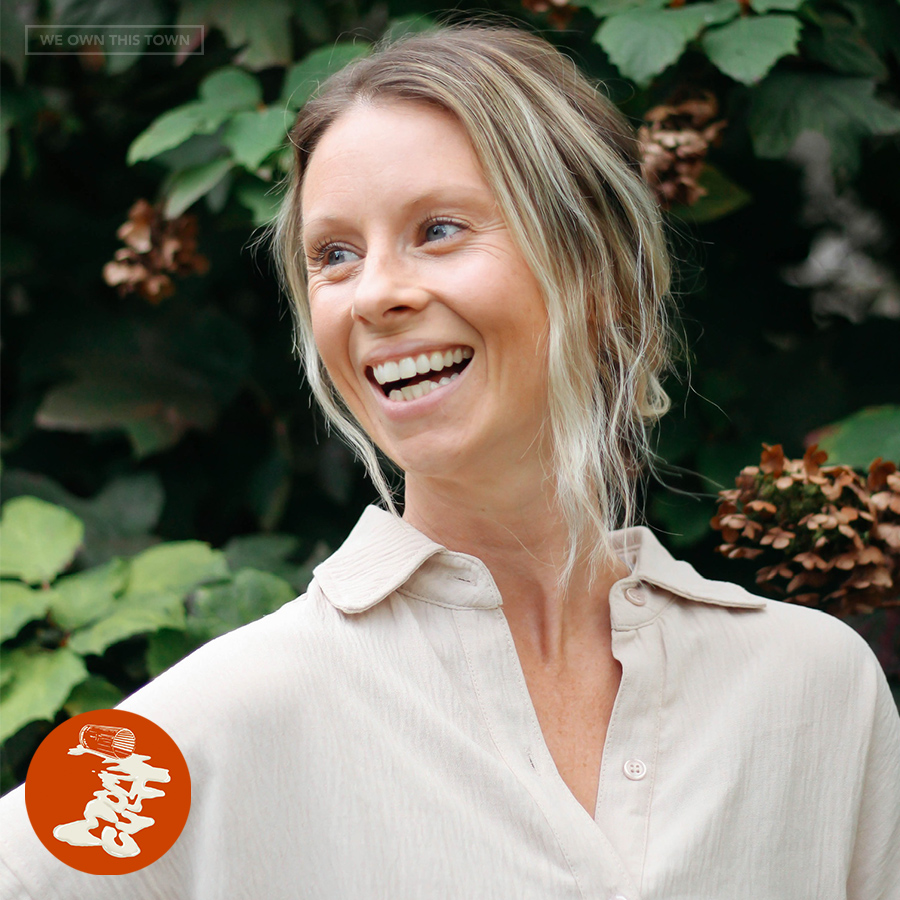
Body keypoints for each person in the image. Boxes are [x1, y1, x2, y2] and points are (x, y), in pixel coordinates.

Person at [1, 24, 898, 900]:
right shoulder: (230, 715)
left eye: (437, 229)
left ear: (600, 274)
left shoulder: (816, 692)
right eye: (334, 255)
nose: (376, 294)